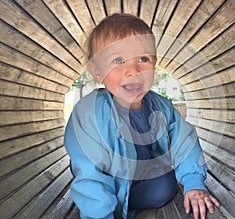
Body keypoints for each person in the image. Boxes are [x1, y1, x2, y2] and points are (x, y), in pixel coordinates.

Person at [64, 13, 220, 219]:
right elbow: (90, 173)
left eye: (143, 59)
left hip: (145, 177)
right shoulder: (89, 114)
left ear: (155, 64)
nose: (133, 70)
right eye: (118, 60)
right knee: (95, 186)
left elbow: (184, 141)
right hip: (108, 183)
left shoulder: (161, 106)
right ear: (97, 71)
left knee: (165, 187)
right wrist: (99, 215)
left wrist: (193, 182)